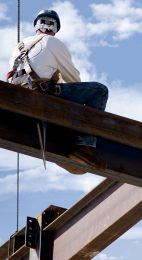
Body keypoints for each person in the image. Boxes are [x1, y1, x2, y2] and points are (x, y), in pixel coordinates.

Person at [6, 9, 108, 173]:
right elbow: (73, 79)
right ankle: (85, 146)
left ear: (37, 25)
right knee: (99, 91)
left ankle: (63, 141)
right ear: (55, 28)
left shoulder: (19, 46)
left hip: (18, 96)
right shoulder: (53, 43)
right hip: (41, 93)